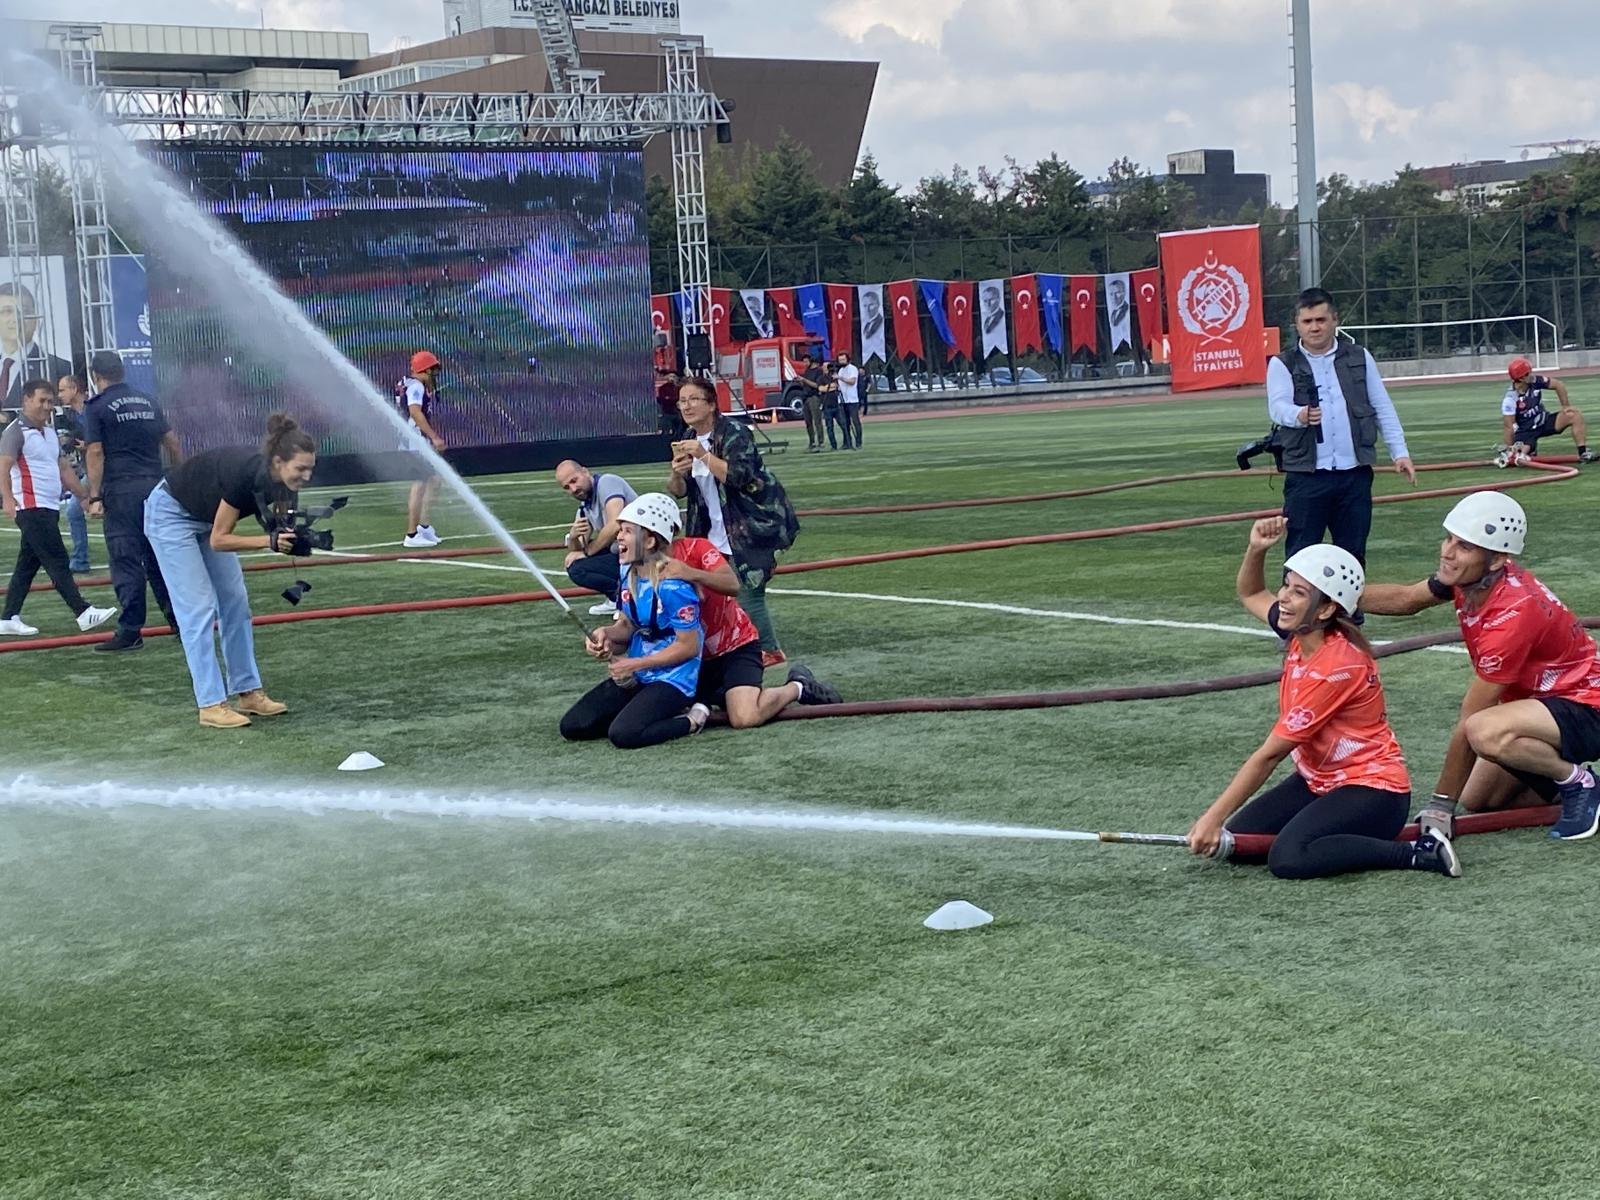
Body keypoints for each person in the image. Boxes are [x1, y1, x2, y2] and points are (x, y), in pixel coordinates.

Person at [1186, 517, 1459, 879]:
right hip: (1317, 781)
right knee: (1240, 841)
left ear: (1327, 609)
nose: (1284, 597)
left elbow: (1269, 755)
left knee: (1289, 858)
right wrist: (1256, 549)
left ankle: (1419, 852)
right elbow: (1251, 594)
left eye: (1299, 592)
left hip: (1374, 791)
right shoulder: (1303, 629)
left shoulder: (1335, 667)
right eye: (1286, 585)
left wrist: (1212, 817)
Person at [1361, 491, 1600, 841]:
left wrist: (1440, 805)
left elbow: (1471, 716)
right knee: (1480, 799)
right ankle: (1571, 784)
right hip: (1546, 705)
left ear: (1497, 559)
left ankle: (1580, 782)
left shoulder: (1513, 613)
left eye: (1464, 546)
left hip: (1587, 705)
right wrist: (1334, 594)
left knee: (1482, 730)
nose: (1448, 551)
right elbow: (1407, 599)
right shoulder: (1475, 578)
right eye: (1449, 538)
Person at [143, 413, 313, 728]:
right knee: (197, 608)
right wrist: (269, 542)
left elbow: (280, 525)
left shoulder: (285, 484)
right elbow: (219, 539)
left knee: (235, 601)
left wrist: (296, 538)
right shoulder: (245, 473)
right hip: (170, 515)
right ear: (278, 462)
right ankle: (210, 704)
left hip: (204, 518)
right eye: (301, 469)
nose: (307, 476)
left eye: (310, 469)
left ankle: (248, 692)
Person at [1266, 287, 1417, 565]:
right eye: (1307, 321)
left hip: (1354, 475)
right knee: (1301, 556)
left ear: (1335, 320)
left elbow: (1382, 406)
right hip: (1306, 476)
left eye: (1321, 320)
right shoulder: (1282, 363)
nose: (1314, 328)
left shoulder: (1360, 357)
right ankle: (1297, 597)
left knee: (1353, 556)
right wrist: (1299, 415)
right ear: (1297, 324)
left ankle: (1351, 597)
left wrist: (1400, 452)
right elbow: (1277, 407)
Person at [663, 506, 841, 726]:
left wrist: (691, 574)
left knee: (744, 717)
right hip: (689, 656)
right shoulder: (633, 568)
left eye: (630, 530)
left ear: (653, 535)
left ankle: (797, 686)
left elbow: (731, 583)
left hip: (734, 648)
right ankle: (721, 693)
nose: (624, 537)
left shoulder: (697, 548)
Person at [666, 377, 799, 669]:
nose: (686, 406)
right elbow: (680, 491)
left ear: (712, 404)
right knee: (710, 589)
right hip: (710, 529)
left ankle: (769, 650)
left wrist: (703, 455)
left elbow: (739, 476)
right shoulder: (687, 436)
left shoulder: (734, 433)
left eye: (693, 399)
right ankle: (728, 646)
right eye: (682, 401)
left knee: (748, 588)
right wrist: (676, 472)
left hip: (750, 523)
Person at [559, 493, 706, 749]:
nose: (618, 537)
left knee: (623, 734)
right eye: (620, 530)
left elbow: (689, 646)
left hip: (673, 677)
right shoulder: (627, 571)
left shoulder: (673, 587)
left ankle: (692, 720)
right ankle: (647, 712)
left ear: (650, 541)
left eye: (627, 531)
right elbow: (627, 626)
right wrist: (605, 634)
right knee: (573, 726)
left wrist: (635, 663)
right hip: (639, 672)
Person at [82, 350, 182, 653]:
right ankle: (182, 623)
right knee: (160, 561)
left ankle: (130, 631)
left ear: (96, 376)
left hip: (122, 491)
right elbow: (172, 442)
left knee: (126, 560)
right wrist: (182, 478)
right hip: (156, 488)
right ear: (121, 371)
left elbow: (95, 451)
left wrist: (94, 496)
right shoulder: (148, 401)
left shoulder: (97, 407)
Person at [0, 380, 118, 637]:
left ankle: (8, 617)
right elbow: (3, 466)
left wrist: (84, 496)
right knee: (57, 559)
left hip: (49, 505)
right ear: (26, 400)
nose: (47, 406)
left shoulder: (49, 432)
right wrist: (7, 498)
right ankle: (82, 611)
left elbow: (63, 468)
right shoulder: (15, 431)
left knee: (27, 564)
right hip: (31, 506)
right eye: (41, 400)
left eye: (50, 401)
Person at [556, 459, 637, 616]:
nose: (573, 489)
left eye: (574, 481)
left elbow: (616, 523)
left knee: (580, 566)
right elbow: (577, 549)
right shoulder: (584, 507)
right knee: (575, 565)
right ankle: (616, 597)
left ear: (585, 472)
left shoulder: (607, 482)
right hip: (622, 552)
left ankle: (626, 600)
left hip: (640, 552)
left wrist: (587, 552)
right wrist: (573, 537)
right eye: (567, 487)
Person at [1498, 357, 1594, 465]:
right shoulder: (1510, 399)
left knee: (1574, 415)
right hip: (1526, 431)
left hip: (1543, 421)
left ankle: (1583, 453)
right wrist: (1509, 449)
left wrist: (1565, 406)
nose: (1531, 374)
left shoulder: (1535, 381)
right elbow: (1508, 426)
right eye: (1527, 373)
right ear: (1520, 379)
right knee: (1522, 453)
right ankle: (1525, 451)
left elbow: (1558, 384)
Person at [396, 350, 446, 549]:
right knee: (420, 483)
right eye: (433, 369)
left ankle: (423, 527)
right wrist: (434, 437)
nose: (435, 374)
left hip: (414, 441)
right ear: (425, 369)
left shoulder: (408, 383)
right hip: (415, 441)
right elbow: (415, 412)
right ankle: (412, 534)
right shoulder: (416, 386)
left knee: (434, 480)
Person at [0, 283, 72, 408]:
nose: (16, 319)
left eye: (25, 311)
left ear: (36, 318)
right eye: (7, 311)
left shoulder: (58, 368)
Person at [55, 372, 91, 573]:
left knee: (74, 511)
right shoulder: (73, 416)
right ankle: (80, 560)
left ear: (75, 389)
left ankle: (80, 560)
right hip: (91, 471)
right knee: (74, 511)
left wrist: (88, 445)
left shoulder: (92, 411)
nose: (59, 395)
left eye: (62, 390)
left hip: (104, 471)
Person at [831, 350, 861, 450]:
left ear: (847, 359)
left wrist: (840, 378)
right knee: (845, 422)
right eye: (840, 360)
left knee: (855, 421)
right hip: (842, 400)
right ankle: (847, 442)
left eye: (843, 360)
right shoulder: (840, 370)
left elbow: (852, 381)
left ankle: (858, 442)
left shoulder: (853, 369)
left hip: (852, 400)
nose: (842, 362)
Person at [799, 353, 829, 453]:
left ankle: (821, 441)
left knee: (817, 420)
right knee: (808, 422)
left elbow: (817, 385)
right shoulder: (807, 371)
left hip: (814, 397)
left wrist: (804, 380)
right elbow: (805, 384)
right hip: (806, 397)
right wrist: (801, 381)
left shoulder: (818, 371)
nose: (805, 363)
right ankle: (811, 441)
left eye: (806, 361)